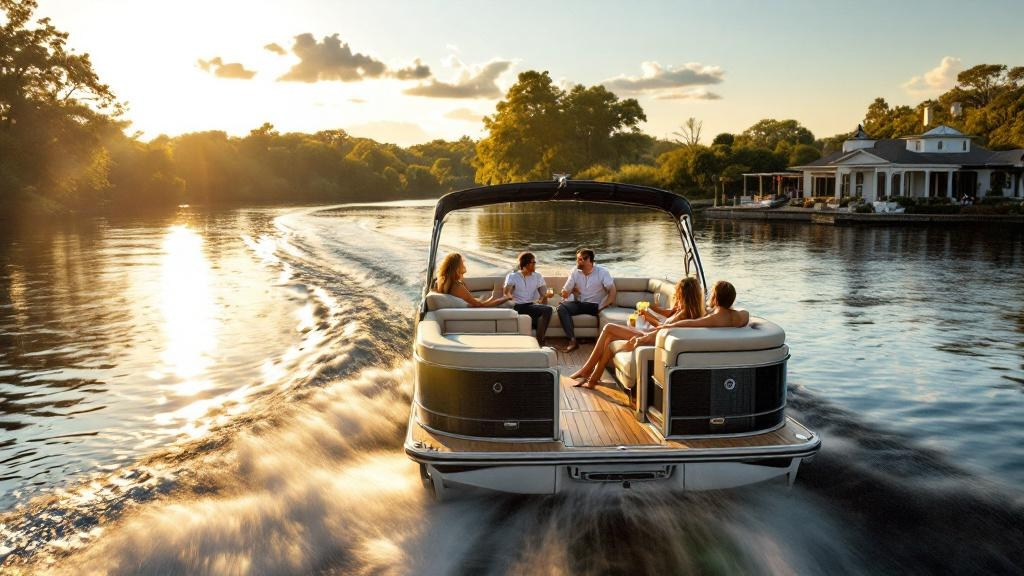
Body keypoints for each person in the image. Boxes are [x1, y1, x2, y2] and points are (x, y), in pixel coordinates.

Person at [570, 277, 705, 389]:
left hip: (652, 338)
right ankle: (593, 378)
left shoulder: (683, 313)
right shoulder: (689, 311)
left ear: (685, 294)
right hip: (653, 335)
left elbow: (663, 328)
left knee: (609, 328)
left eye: (678, 293)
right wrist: (651, 312)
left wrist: (647, 316)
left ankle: (587, 369)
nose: (676, 295)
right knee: (610, 337)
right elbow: (665, 325)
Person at [556, 249, 616, 352]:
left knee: (566, 306)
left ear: (588, 260)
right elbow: (564, 292)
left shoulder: (602, 272)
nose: (577, 262)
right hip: (580, 304)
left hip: (595, 306)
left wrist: (604, 306)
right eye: (577, 259)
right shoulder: (575, 271)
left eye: (579, 259)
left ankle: (593, 340)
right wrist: (569, 292)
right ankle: (573, 341)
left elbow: (612, 291)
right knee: (561, 308)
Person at [504, 252, 553, 346]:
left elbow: (543, 293)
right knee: (547, 310)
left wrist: (547, 296)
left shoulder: (538, 276)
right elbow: (506, 293)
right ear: (526, 263)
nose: (535, 264)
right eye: (533, 262)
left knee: (546, 310)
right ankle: (540, 341)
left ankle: (537, 339)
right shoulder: (513, 276)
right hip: (518, 306)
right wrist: (509, 295)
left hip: (530, 305)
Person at [435, 252, 511, 307]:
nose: (464, 266)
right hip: (474, 312)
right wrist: (504, 298)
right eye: (462, 263)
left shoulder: (442, 282)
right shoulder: (457, 286)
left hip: (465, 309)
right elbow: (480, 306)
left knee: (484, 296)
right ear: (457, 268)